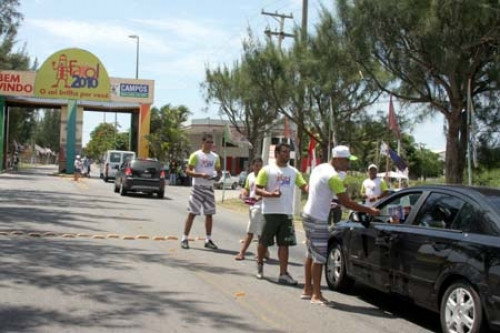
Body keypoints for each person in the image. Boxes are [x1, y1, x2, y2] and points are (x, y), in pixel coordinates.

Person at [302, 145, 380, 305]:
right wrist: (369, 210)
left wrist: (327, 199)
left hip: (307, 214)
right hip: (318, 218)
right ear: (337, 159)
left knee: (310, 253)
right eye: (346, 161)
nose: (347, 164)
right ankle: (316, 295)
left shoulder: (320, 168)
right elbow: (347, 203)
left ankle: (307, 290)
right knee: (319, 258)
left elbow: (314, 189)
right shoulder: (333, 177)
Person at [255, 143, 308, 285]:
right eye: (284, 152)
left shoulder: (293, 172)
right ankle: (260, 263)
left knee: (284, 244)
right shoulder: (267, 170)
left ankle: (283, 273)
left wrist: (317, 189)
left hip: (286, 213)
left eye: (288, 152)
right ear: (277, 153)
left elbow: (304, 186)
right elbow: (257, 190)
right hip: (270, 213)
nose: (287, 155)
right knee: (264, 242)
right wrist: (270, 194)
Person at [180, 133, 221, 250]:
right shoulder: (196, 155)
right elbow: (188, 171)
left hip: (209, 188)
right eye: (208, 142)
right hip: (197, 187)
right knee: (192, 213)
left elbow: (218, 172)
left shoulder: (215, 157)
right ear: (202, 142)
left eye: (211, 142)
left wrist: (217, 177)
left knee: (209, 214)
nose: (210, 144)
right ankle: (184, 238)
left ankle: (208, 239)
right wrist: (200, 174)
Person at [234, 158, 270, 261]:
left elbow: (267, 191)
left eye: (260, 165)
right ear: (252, 166)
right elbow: (247, 188)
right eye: (256, 165)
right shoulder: (250, 176)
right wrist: (243, 194)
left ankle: (242, 252)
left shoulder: (264, 177)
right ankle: (265, 252)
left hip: (260, 207)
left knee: (250, 231)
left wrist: (259, 198)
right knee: (259, 232)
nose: (258, 168)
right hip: (251, 205)